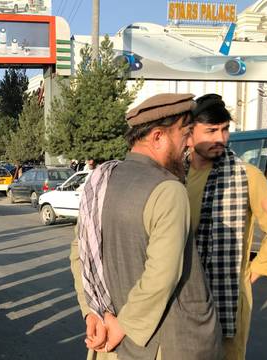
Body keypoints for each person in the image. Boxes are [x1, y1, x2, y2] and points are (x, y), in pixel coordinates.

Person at [70, 94, 222, 359]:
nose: (189, 143)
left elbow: (80, 253)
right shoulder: (168, 189)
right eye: (185, 134)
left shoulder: (100, 181)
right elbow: (162, 274)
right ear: (158, 137)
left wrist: (91, 312)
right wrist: (123, 325)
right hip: (168, 343)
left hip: (112, 341)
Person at [185, 93, 267, 360]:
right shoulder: (175, 175)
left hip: (227, 296)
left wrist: (254, 272)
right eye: (211, 130)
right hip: (181, 293)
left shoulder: (247, 175)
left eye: (225, 130)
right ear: (189, 135)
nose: (221, 138)